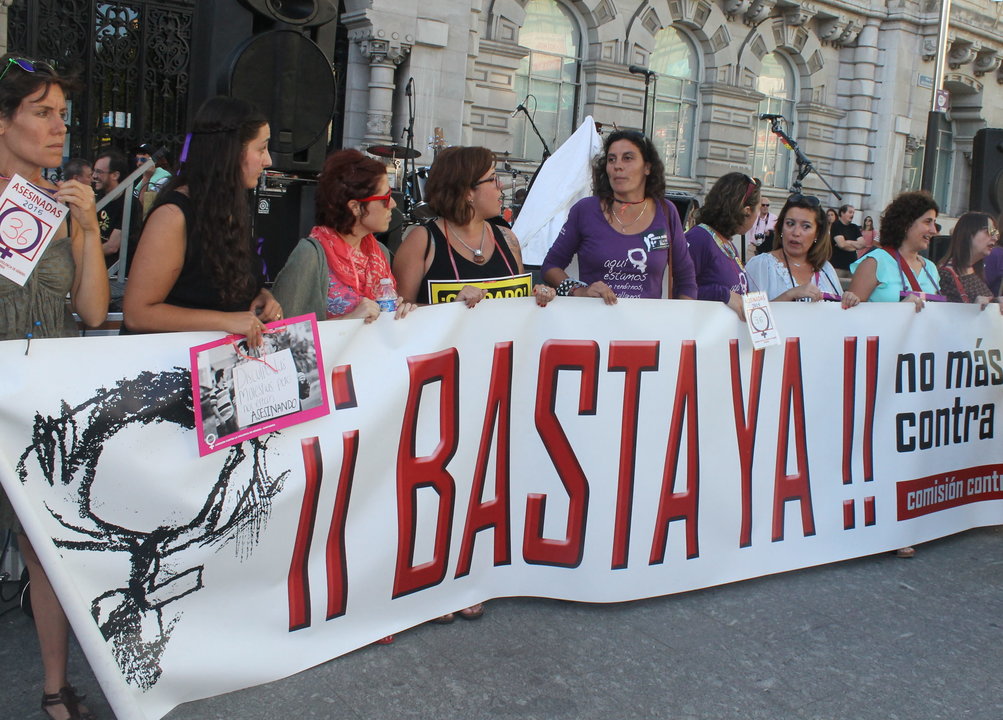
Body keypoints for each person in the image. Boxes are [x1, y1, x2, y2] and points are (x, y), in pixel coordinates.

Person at [0, 53, 109, 720]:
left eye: (62, 116)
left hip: (47, 398)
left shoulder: (64, 205)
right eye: (42, 113)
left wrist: (91, 229)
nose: (57, 128)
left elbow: (93, 312)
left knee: (44, 545)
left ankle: (53, 688)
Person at [122, 96, 280, 347]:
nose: (268, 160)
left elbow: (221, 290)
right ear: (231, 150)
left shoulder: (230, 207)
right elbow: (137, 313)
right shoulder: (173, 216)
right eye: (261, 148)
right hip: (173, 369)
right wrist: (225, 321)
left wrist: (261, 296)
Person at [541, 130, 695, 304]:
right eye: (611, 159)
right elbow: (550, 267)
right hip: (592, 326)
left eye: (628, 158)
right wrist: (579, 290)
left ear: (647, 167)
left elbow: (686, 279)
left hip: (646, 328)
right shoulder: (585, 210)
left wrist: (683, 324)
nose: (617, 166)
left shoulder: (666, 212)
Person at [395, 145, 555, 309]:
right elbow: (401, 309)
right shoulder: (422, 241)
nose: (500, 186)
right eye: (492, 179)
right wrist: (451, 307)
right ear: (467, 192)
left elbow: (519, 299)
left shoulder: (507, 238)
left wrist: (539, 295)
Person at [271, 148, 415, 322]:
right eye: (385, 198)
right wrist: (348, 320)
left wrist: (400, 313)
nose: (392, 204)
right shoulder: (311, 255)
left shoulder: (379, 253)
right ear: (355, 207)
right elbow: (279, 335)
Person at [842, 191, 942, 314]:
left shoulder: (931, 268)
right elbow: (850, 315)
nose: (934, 230)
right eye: (927, 222)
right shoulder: (875, 263)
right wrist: (898, 310)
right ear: (906, 223)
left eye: (934, 223)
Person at [685, 172, 761, 317]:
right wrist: (723, 294)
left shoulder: (728, 244)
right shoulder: (698, 238)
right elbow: (676, 291)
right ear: (747, 211)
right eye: (758, 208)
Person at [745, 193, 841, 302]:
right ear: (781, 228)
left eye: (806, 226)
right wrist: (789, 295)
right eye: (790, 224)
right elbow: (749, 314)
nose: (796, 233)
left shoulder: (826, 270)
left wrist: (849, 302)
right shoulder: (761, 265)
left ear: (817, 233)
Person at [937, 211, 1002, 310]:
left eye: (996, 233)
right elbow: (948, 315)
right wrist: (973, 308)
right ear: (968, 233)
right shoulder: (946, 274)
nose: (995, 237)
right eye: (990, 231)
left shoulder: (974, 270)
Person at [93, 148, 142, 269]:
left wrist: (82, 254)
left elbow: (112, 247)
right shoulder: (96, 197)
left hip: (114, 273)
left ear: (115, 175)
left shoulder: (129, 204)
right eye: (94, 171)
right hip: (94, 264)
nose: (94, 176)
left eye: (99, 172)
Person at [829, 204, 863, 274]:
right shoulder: (836, 225)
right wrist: (855, 245)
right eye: (850, 212)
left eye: (853, 213)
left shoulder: (855, 227)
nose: (852, 215)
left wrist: (848, 242)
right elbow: (842, 245)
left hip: (852, 266)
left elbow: (862, 244)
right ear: (842, 213)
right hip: (837, 265)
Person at [743, 195, 776, 259]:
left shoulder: (774, 218)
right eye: (763, 205)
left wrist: (770, 233)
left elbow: (778, 233)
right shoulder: (754, 216)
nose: (765, 207)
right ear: (759, 206)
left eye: (767, 205)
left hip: (766, 249)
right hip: (753, 247)